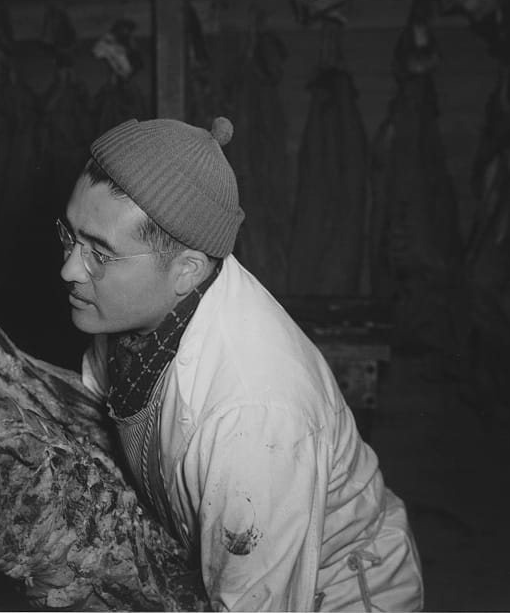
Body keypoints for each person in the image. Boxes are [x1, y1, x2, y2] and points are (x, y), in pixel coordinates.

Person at [57, 116, 424, 611]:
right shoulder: (131, 314)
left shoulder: (253, 414)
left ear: (187, 269)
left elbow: (255, 604)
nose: (69, 268)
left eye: (100, 252)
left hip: (331, 594)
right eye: (70, 236)